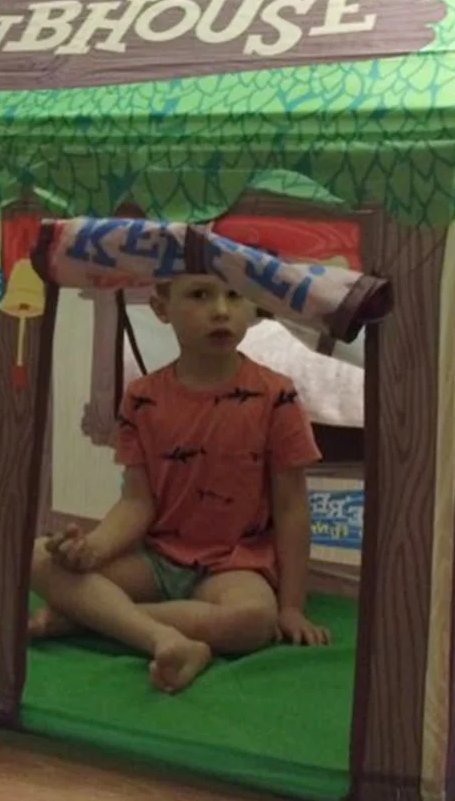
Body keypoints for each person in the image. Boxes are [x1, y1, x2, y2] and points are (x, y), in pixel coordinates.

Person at [29, 273, 330, 694]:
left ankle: (88, 618)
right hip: (157, 560)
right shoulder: (141, 397)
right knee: (37, 557)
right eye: (200, 295)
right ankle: (164, 638)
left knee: (253, 621)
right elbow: (137, 502)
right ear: (161, 309)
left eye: (234, 296)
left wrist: (292, 606)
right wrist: (93, 548)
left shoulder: (276, 396)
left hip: (235, 565)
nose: (221, 310)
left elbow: (291, 507)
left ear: (252, 306)